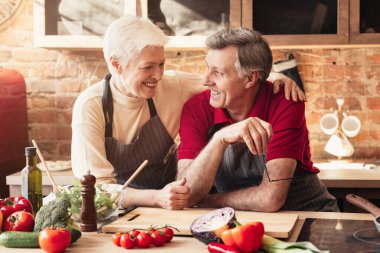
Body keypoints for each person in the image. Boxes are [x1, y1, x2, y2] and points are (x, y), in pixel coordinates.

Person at [71, 15, 304, 210]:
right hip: (121, 210)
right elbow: (94, 189)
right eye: (148, 67)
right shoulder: (90, 107)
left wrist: (271, 75)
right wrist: (156, 198)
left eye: (161, 64)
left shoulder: (172, 86)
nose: (159, 75)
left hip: (170, 208)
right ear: (116, 64)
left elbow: (226, 81)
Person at [177, 27, 339, 212]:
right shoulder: (196, 108)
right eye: (207, 67)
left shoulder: (285, 102)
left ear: (250, 78)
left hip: (308, 217)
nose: (205, 80)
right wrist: (219, 139)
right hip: (235, 224)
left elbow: (271, 199)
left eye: (218, 72)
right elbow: (185, 193)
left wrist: (206, 201)